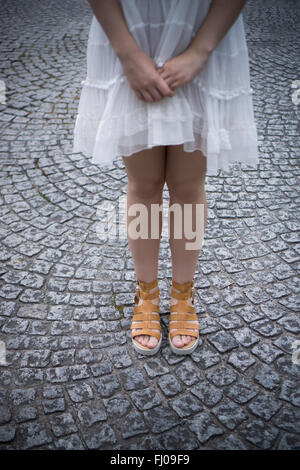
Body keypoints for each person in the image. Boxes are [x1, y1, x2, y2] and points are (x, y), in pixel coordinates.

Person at [73, 0, 259, 355]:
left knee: (188, 186)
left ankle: (182, 294)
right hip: (132, 34)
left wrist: (200, 51)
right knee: (144, 184)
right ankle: (147, 292)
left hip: (204, 37)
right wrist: (127, 54)